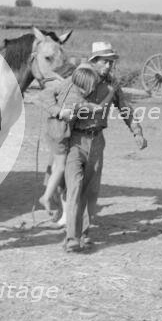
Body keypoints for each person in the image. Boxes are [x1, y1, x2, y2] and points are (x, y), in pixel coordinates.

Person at [44, 42, 148, 253]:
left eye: (111, 62)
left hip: (98, 141)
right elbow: (47, 95)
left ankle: (84, 233)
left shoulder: (112, 86)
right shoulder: (77, 79)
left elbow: (125, 108)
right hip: (74, 141)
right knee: (75, 188)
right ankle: (72, 237)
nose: (109, 66)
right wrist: (58, 112)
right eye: (105, 61)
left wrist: (137, 131)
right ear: (94, 61)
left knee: (90, 192)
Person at [39, 64, 115, 215]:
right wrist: (111, 93)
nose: (93, 89)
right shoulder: (77, 101)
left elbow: (44, 95)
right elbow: (99, 108)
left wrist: (56, 110)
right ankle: (46, 197)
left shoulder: (67, 86)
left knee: (57, 163)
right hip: (60, 134)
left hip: (51, 130)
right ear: (85, 86)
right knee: (61, 166)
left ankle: (52, 193)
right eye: (92, 86)